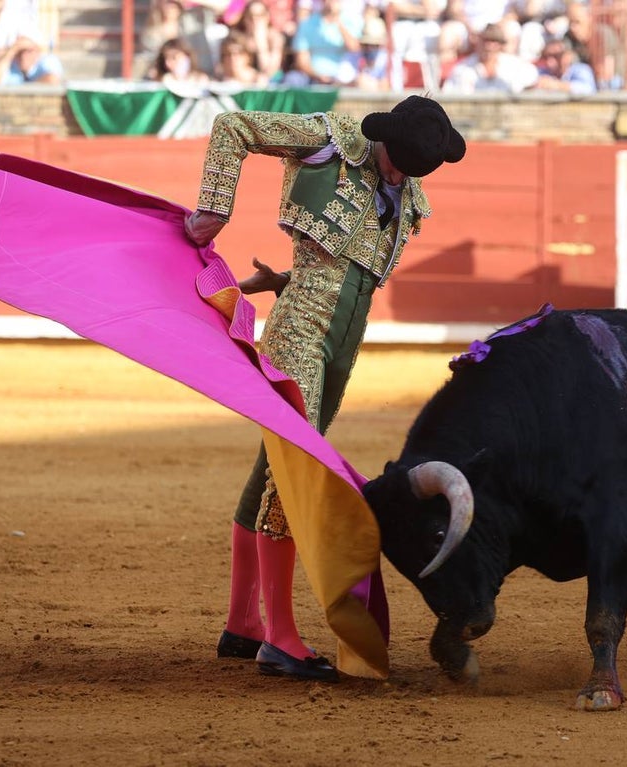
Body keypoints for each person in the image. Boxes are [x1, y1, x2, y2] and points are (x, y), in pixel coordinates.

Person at [184, 95, 466, 680]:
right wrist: (215, 210)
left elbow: (346, 269)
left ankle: (244, 623)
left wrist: (279, 279)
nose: (399, 176)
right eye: (397, 163)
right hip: (302, 331)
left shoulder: (408, 183)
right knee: (298, 466)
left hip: (344, 339)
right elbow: (233, 124)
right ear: (383, 139)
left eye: (411, 171)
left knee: (275, 468)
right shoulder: (329, 140)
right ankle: (279, 638)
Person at [0, 0, 64, 84]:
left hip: (17, 66)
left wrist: (13, 49)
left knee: (51, 63)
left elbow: (35, 42)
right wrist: (8, 53)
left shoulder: (16, 17)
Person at [442, 21, 539, 94]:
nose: (489, 46)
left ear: (500, 45)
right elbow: (450, 96)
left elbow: (533, 82)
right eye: (485, 40)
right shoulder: (461, 69)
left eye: (494, 41)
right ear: (477, 42)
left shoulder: (516, 66)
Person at [283, 0, 361, 86]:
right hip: (312, 77)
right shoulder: (307, 24)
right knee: (292, 79)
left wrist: (337, 20)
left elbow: (354, 48)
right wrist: (318, 76)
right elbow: (302, 60)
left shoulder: (351, 20)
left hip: (343, 77)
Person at [147, 36, 211, 89]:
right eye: (165, 59)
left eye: (174, 58)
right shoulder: (162, 80)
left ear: (186, 56)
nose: (167, 63)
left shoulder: (200, 79)